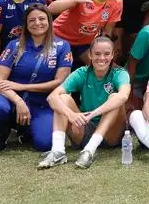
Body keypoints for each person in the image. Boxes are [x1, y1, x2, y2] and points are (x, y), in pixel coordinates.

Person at [0, 6, 73, 153]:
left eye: (42, 19)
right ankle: (3, 129)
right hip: (10, 97)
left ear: (50, 21)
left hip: (42, 102)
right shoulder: (14, 45)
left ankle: (25, 129)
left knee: (45, 143)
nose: (37, 23)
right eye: (32, 20)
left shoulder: (62, 46)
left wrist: (22, 87)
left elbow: (59, 82)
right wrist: (18, 101)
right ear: (26, 24)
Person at [39, 36, 131, 168]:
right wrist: (71, 115)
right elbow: (52, 97)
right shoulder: (82, 73)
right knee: (63, 98)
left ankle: (89, 151)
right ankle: (58, 151)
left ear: (112, 55)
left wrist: (92, 114)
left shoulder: (120, 73)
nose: (102, 58)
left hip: (111, 133)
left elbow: (123, 97)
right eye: (97, 54)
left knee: (115, 98)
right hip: (84, 129)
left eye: (106, 54)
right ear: (90, 55)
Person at [50, 0, 124, 63]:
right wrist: (75, 1)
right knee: (61, 68)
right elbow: (50, 8)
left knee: (100, 67)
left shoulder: (117, 2)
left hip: (85, 43)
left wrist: (104, 51)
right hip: (60, 37)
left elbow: (107, 31)